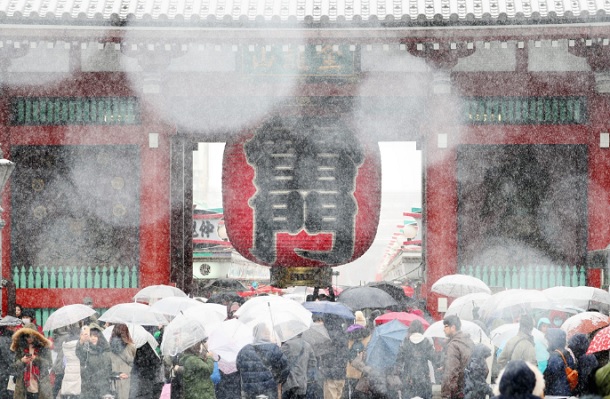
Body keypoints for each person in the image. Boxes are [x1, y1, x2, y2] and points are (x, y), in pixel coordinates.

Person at [236, 322, 289, 399]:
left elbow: (239, 368)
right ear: (265, 334)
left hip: (249, 392)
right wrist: (278, 380)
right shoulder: (274, 349)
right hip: (268, 391)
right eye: (267, 332)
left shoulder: (244, 350)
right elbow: (285, 369)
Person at [392, 319, 436, 399]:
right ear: (421, 329)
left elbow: (399, 361)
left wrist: (396, 375)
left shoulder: (406, 342)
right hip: (424, 380)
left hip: (408, 380)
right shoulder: (426, 342)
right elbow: (434, 358)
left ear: (411, 329)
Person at [10, 326, 53, 399]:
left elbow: (49, 364)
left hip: (40, 384)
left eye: (31, 336)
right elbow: (14, 366)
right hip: (24, 385)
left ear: (36, 335)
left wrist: (36, 359)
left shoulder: (43, 347)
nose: (29, 338)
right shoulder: (20, 347)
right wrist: (22, 361)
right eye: (27, 336)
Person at [441, 315, 474, 399]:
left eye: (446, 326)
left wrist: (446, 394)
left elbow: (451, 372)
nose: (444, 329)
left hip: (458, 391)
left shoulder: (453, 345)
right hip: (469, 388)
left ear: (453, 327)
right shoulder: (469, 341)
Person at [76, 324, 112, 399]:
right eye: (91, 336)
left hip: (102, 385)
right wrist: (81, 342)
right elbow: (80, 355)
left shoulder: (105, 349)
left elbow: (107, 368)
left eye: (95, 336)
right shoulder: (86, 349)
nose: (93, 338)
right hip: (88, 385)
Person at [318, 314, 348, 399]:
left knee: (330, 395)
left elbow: (323, 353)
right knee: (339, 394)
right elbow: (345, 353)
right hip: (341, 372)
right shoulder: (343, 334)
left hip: (329, 372)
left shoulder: (325, 334)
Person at [281, 334, 317, 399]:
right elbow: (313, 363)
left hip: (289, 381)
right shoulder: (307, 345)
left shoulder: (287, 345)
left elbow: (279, 361)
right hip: (302, 382)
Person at [543, 328, 575, 397]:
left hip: (555, 394)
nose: (548, 343)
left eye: (548, 340)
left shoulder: (554, 357)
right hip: (567, 393)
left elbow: (549, 377)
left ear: (553, 341)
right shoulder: (568, 354)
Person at [108, 324, 136, 399]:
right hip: (127, 379)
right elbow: (134, 363)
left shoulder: (109, 347)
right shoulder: (131, 347)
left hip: (114, 379)